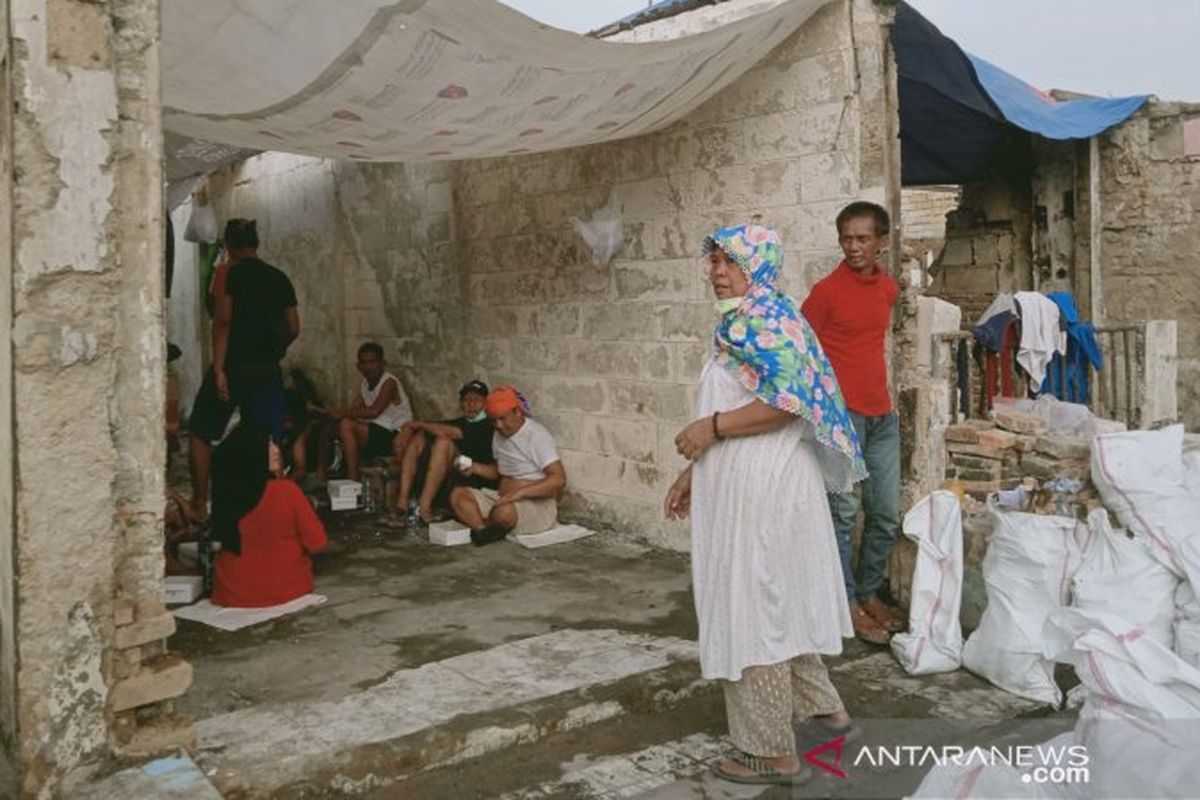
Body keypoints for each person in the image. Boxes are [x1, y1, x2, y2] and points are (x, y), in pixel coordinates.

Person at [664, 224, 866, 786]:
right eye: (715, 262)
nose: (718, 272)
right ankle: (826, 713)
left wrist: (710, 428)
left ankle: (770, 751)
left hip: (764, 489)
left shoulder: (762, 321)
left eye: (731, 263)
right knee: (780, 601)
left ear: (760, 268)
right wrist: (694, 471)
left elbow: (786, 405)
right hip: (755, 481)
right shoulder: (750, 319)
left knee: (754, 608)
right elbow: (737, 402)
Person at [801, 201, 903, 645]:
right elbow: (801, 351)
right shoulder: (825, 292)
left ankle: (868, 592)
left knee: (885, 513)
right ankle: (845, 603)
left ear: (882, 242)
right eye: (847, 238)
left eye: (863, 239)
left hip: (882, 417)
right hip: (841, 420)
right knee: (842, 514)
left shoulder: (889, 290)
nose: (854, 247)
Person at [188, 218, 300, 521]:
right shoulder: (279, 278)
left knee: (200, 431)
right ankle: (270, 506)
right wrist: (273, 349)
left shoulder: (226, 274)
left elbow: (223, 321)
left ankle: (199, 502)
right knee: (268, 439)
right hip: (266, 369)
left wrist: (220, 369)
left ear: (228, 246)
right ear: (256, 243)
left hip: (235, 365)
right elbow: (293, 327)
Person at [210, 422, 327, 608]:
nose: (276, 450)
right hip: (283, 590)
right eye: (267, 445)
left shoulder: (225, 493)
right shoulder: (287, 492)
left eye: (274, 443)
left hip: (232, 593)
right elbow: (317, 543)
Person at [449, 386, 566, 546]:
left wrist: (518, 494)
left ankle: (490, 526)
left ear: (517, 412)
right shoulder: (498, 434)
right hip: (503, 498)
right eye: (493, 420)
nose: (498, 425)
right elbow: (498, 472)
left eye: (502, 418)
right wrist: (474, 467)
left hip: (535, 504)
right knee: (458, 495)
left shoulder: (537, 435)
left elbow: (558, 479)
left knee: (503, 512)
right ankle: (483, 529)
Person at [386, 379, 497, 525]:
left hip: (475, 475)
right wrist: (409, 429)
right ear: (461, 403)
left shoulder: (488, 424)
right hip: (455, 472)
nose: (471, 404)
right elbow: (434, 427)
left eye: (476, 400)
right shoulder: (461, 421)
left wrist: (417, 423)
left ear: (485, 403)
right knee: (420, 436)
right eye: (466, 400)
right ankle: (402, 502)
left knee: (443, 442)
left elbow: (452, 433)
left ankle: (424, 509)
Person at [317, 342, 413, 484]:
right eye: (364, 363)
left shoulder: (389, 382)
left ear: (383, 363)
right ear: (358, 366)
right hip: (377, 432)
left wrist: (342, 413)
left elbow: (374, 411)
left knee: (346, 425)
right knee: (330, 428)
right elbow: (354, 408)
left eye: (372, 362)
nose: (368, 367)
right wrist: (333, 414)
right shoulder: (365, 384)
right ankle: (321, 476)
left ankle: (353, 480)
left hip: (394, 434)